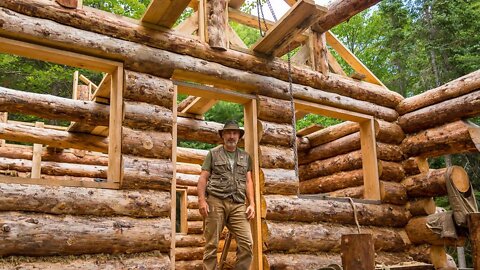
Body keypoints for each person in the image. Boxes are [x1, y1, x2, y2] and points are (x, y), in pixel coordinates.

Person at [197, 120, 255, 269]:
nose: (231, 136)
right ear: (223, 135)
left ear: (239, 136)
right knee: (212, 244)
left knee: (247, 243)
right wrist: (202, 201)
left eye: (235, 133)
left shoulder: (245, 157)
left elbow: (248, 181)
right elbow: (203, 178)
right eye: (228, 133)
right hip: (216, 201)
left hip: (238, 204)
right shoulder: (213, 153)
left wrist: (252, 204)